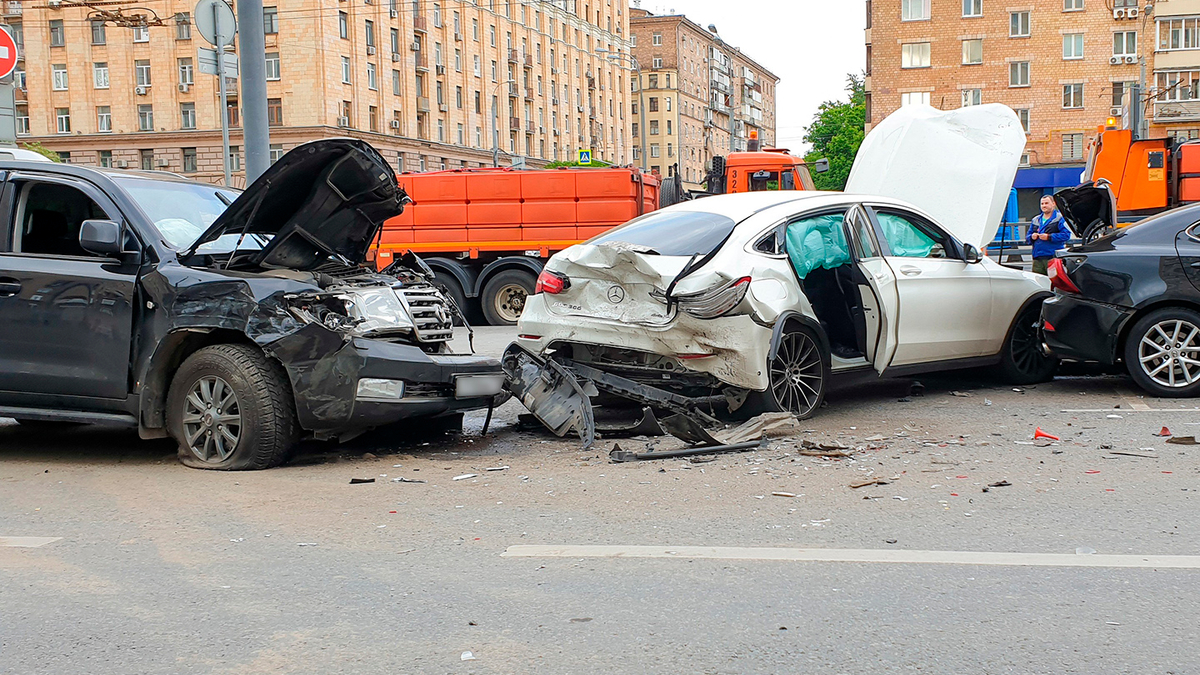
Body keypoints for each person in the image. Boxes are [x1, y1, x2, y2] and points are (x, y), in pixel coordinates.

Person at [1027, 195, 1071, 275]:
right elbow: (1027, 238)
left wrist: (1049, 237)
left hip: (1053, 257)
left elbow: (1066, 235)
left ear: (1053, 204)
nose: (1044, 206)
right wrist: (1032, 237)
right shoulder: (1035, 219)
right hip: (1038, 258)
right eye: (1042, 204)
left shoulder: (1060, 218)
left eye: (1046, 203)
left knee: (1054, 283)